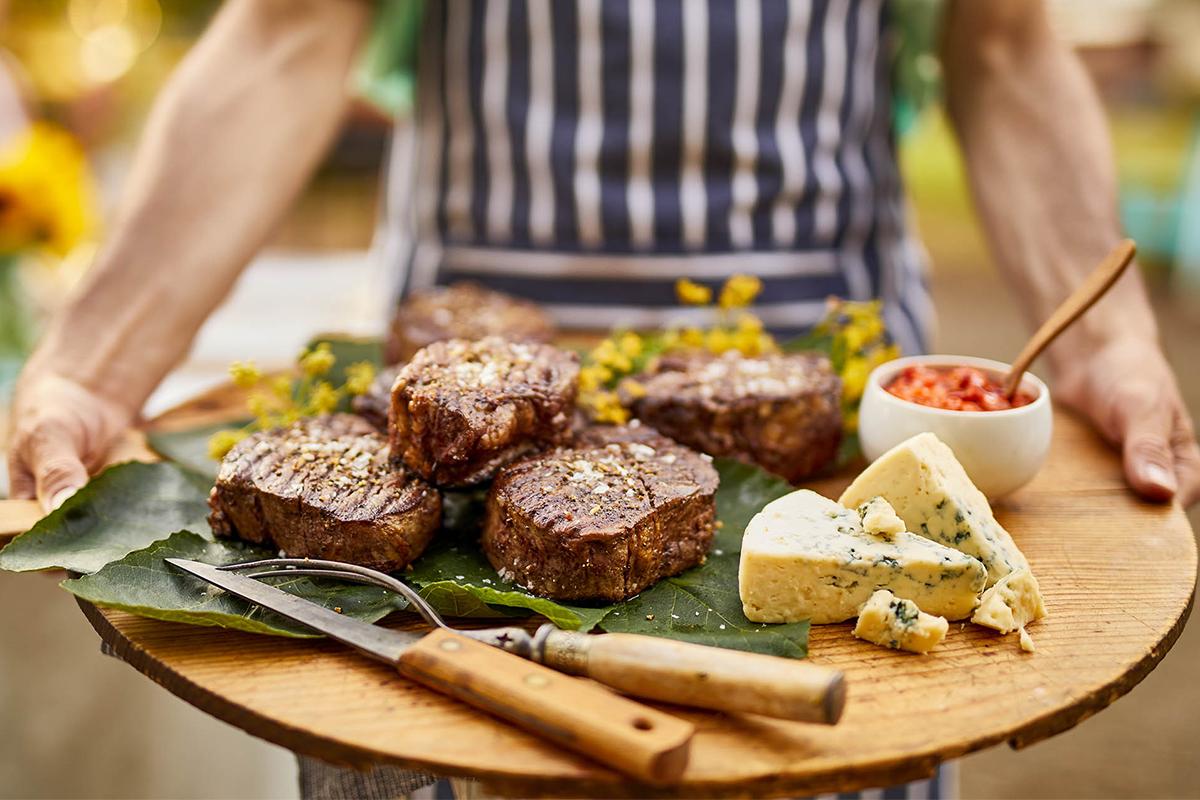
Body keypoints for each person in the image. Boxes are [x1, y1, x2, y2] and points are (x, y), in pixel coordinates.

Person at [6, 0, 1198, 798]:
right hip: (451, 422)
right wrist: (94, 368)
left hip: (822, 454)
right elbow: (286, 31)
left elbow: (1001, 42)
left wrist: (1103, 336)